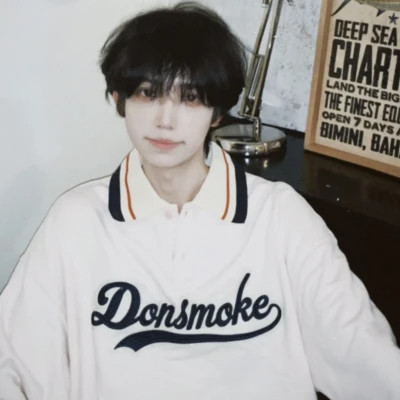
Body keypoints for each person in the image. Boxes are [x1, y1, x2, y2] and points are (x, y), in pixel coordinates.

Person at [1, 2, 399, 399]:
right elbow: (13, 359)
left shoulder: (280, 217)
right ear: (120, 99)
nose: (165, 120)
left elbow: (364, 357)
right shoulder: (77, 222)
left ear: (217, 112)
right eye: (147, 93)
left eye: (190, 97)